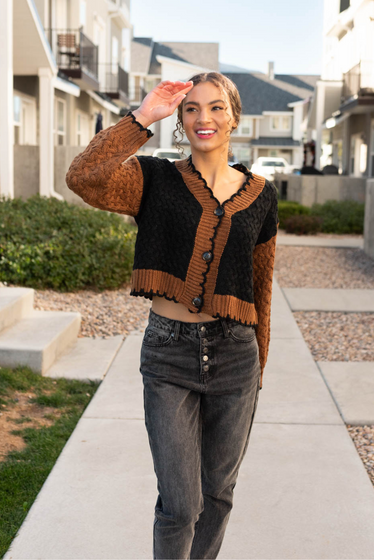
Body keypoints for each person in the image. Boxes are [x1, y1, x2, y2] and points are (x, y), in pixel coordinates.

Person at [65, 72, 279, 559]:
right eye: (192, 108)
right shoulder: (153, 179)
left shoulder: (261, 195)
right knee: (181, 505)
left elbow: (261, 286)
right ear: (180, 121)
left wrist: (259, 365)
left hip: (236, 356)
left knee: (219, 496)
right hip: (168, 353)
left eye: (217, 107)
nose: (205, 117)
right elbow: (83, 176)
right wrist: (143, 117)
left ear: (235, 116)